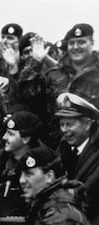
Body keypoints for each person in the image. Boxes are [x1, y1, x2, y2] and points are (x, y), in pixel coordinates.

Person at [0, 111, 41, 222]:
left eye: (11, 134)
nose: (4, 137)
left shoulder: (41, 163)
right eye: (6, 132)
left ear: (26, 139)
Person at [55, 92, 99, 224]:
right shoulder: (64, 147)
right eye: (61, 124)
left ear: (87, 125)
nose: (64, 130)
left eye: (69, 124)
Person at [17, 146, 89, 225]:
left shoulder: (59, 214)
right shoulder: (46, 204)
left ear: (49, 176)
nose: (21, 180)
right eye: (21, 174)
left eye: (28, 174)